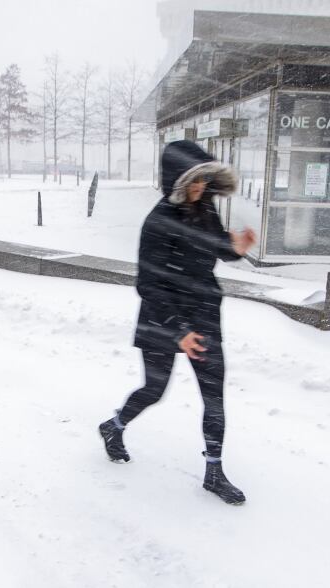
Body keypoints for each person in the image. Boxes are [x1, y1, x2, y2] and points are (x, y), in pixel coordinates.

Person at [98, 140, 256, 505]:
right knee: (154, 390)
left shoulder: (205, 208)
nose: (200, 188)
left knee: (213, 397)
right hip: (163, 319)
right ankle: (114, 426)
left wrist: (236, 248)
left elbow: (216, 247)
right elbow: (148, 284)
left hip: (203, 315)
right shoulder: (157, 222)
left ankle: (214, 472)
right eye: (193, 182)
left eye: (203, 180)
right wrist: (178, 331)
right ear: (176, 180)